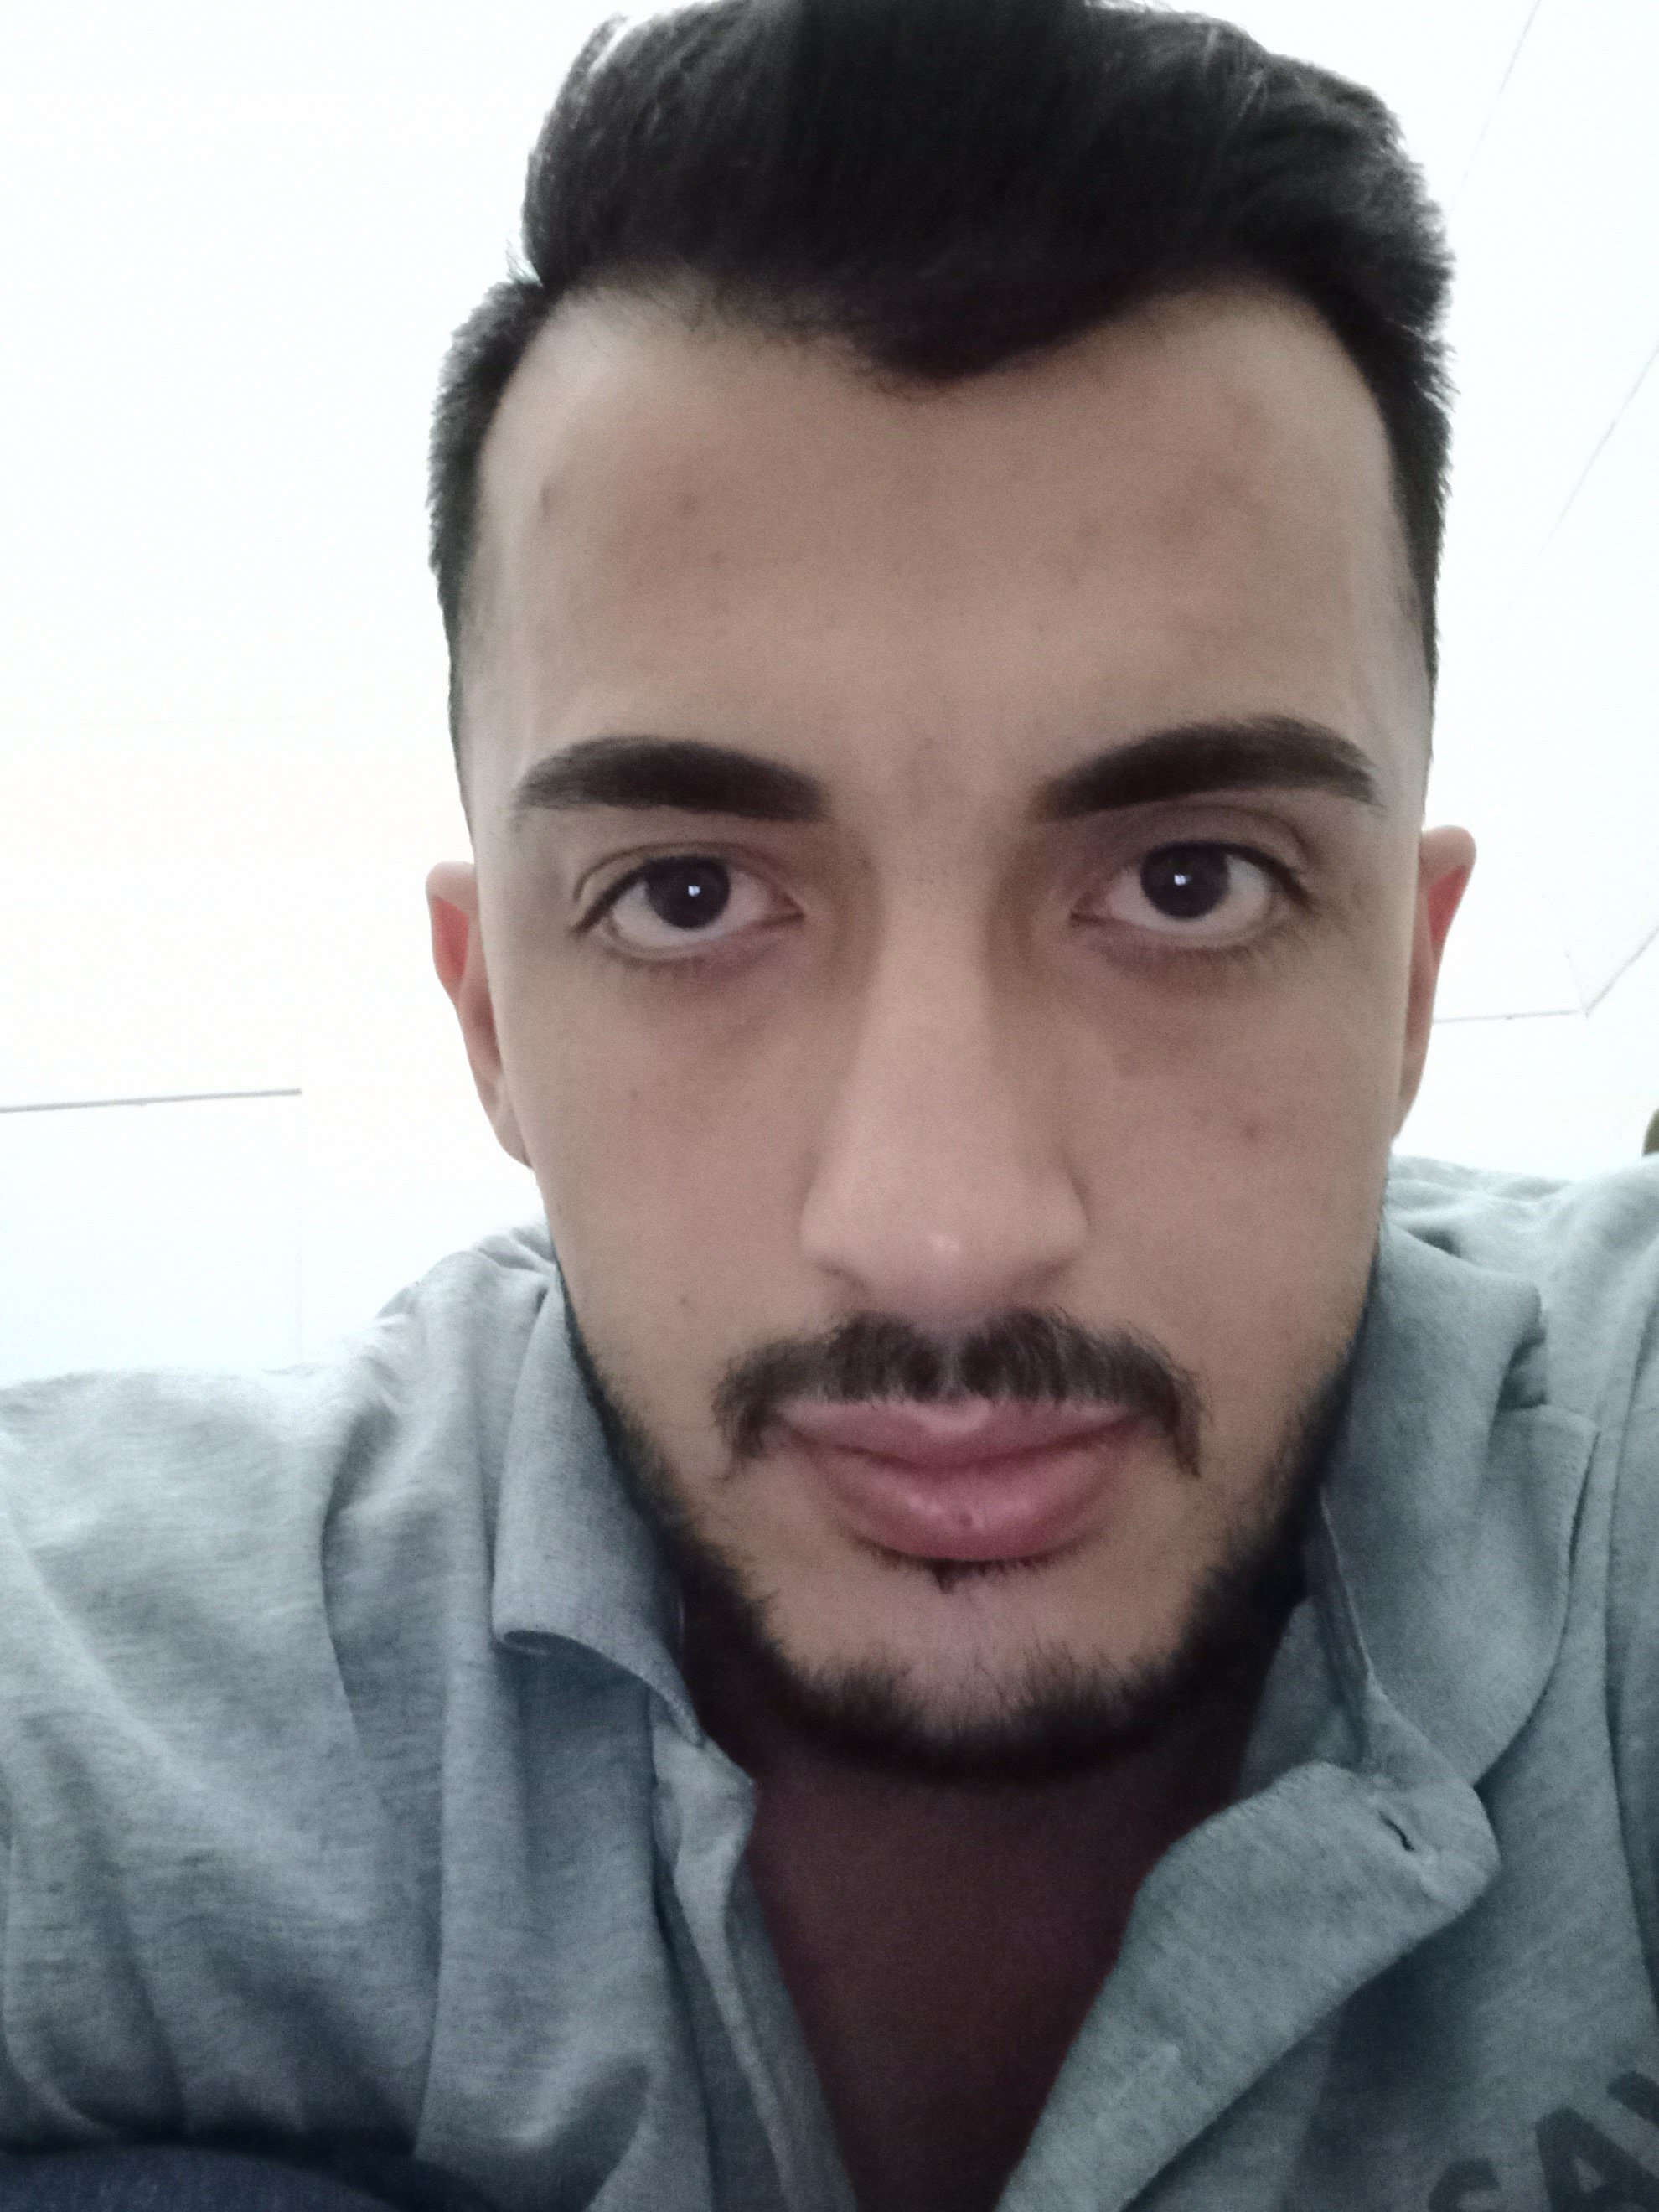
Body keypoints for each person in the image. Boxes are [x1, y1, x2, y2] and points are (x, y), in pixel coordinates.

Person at [3, 1, 1656, 2207]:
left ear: (1411, 984)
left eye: (1190, 882)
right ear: (489, 1020)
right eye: (686, 896)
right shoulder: (164, 1671)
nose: (941, 1226)